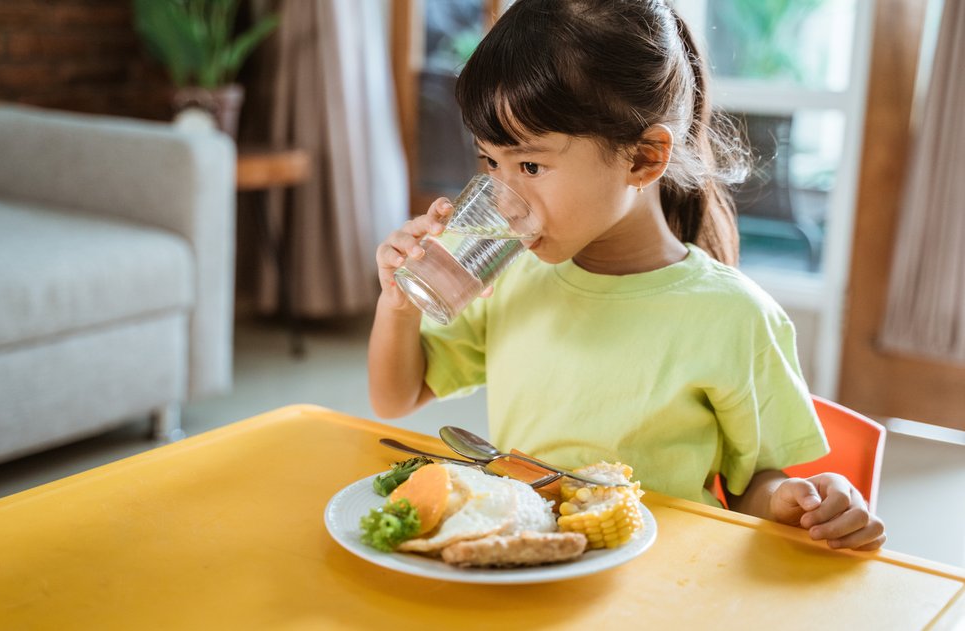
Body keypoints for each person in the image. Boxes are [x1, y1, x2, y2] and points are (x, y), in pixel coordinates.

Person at [368, 0, 885, 551]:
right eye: (492, 162)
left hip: (663, 585)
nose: (502, 197)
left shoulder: (732, 316)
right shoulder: (512, 279)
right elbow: (396, 397)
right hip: (534, 572)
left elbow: (756, 486)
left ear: (642, 159)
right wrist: (398, 306)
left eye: (532, 167)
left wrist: (800, 501)